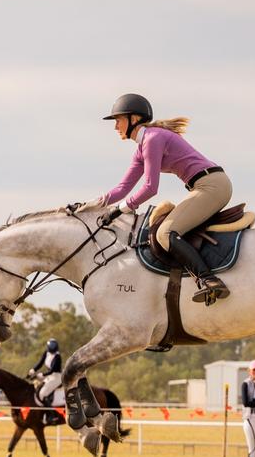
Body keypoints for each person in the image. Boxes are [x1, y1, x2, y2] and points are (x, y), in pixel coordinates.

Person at [98, 93, 233, 305]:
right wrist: (90, 206)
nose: (115, 126)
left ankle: (209, 280)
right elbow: (122, 189)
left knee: (165, 233)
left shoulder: (153, 138)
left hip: (212, 185)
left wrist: (119, 210)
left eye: (118, 120)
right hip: (205, 185)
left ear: (134, 119)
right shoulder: (142, 148)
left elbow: (151, 188)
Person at [28, 338, 63, 405]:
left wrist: (42, 374)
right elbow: (40, 363)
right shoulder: (46, 353)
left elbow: (52, 370)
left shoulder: (57, 357)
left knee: (42, 394)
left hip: (56, 377)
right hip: (50, 376)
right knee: (37, 388)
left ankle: (50, 414)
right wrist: (33, 370)